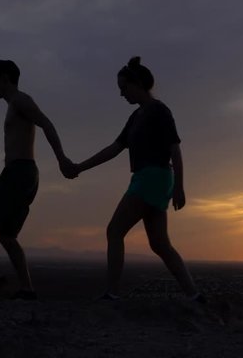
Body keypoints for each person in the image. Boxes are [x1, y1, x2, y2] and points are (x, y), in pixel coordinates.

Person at [62, 56, 204, 303]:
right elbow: (115, 148)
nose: (121, 94)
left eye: (123, 87)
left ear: (137, 83)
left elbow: (175, 149)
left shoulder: (159, 111)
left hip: (152, 178)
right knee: (160, 244)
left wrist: (180, 187)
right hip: (150, 179)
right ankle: (194, 294)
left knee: (114, 230)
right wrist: (80, 167)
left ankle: (112, 292)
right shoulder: (136, 117)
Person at [0, 60, 72, 300]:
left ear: (5, 78)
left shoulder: (20, 100)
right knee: (7, 235)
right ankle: (27, 289)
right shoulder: (14, 104)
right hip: (25, 175)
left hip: (19, 173)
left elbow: (46, 123)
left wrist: (61, 159)